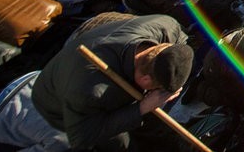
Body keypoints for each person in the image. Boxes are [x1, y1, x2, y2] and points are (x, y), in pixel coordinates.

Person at [31, 13, 193, 152]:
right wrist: (142, 108)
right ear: (145, 79)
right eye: (159, 89)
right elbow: (82, 137)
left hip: (90, 78)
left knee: (153, 124)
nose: (160, 93)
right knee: (122, 145)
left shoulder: (165, 27)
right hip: (57, 109)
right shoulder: (92, 90)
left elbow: (180, 41)